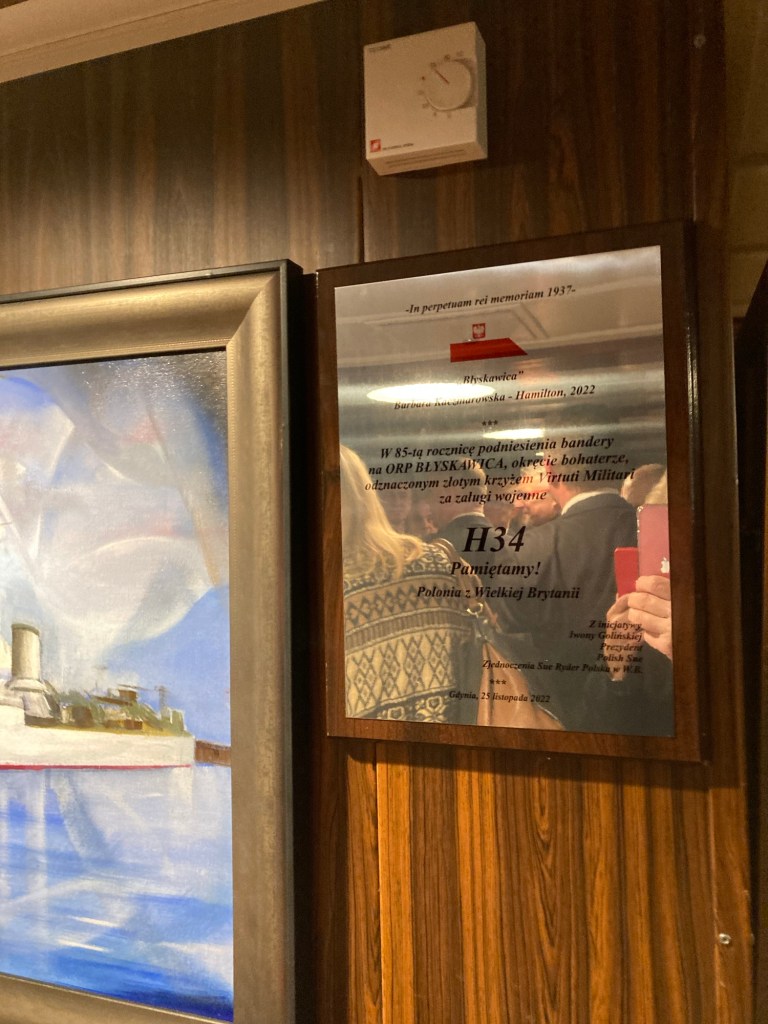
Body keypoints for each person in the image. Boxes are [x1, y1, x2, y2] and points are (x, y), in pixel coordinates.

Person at [492, 456, 640, 732]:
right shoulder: (663, 533)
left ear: (550, 471)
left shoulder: (524, 550)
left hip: (558, 721)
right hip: (655, 719)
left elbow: (510, 650)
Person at [339, 446, 480, 724]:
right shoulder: (440, 561)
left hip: (367, 746)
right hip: (458, 737)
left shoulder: (331, 586)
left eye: (402, 495)